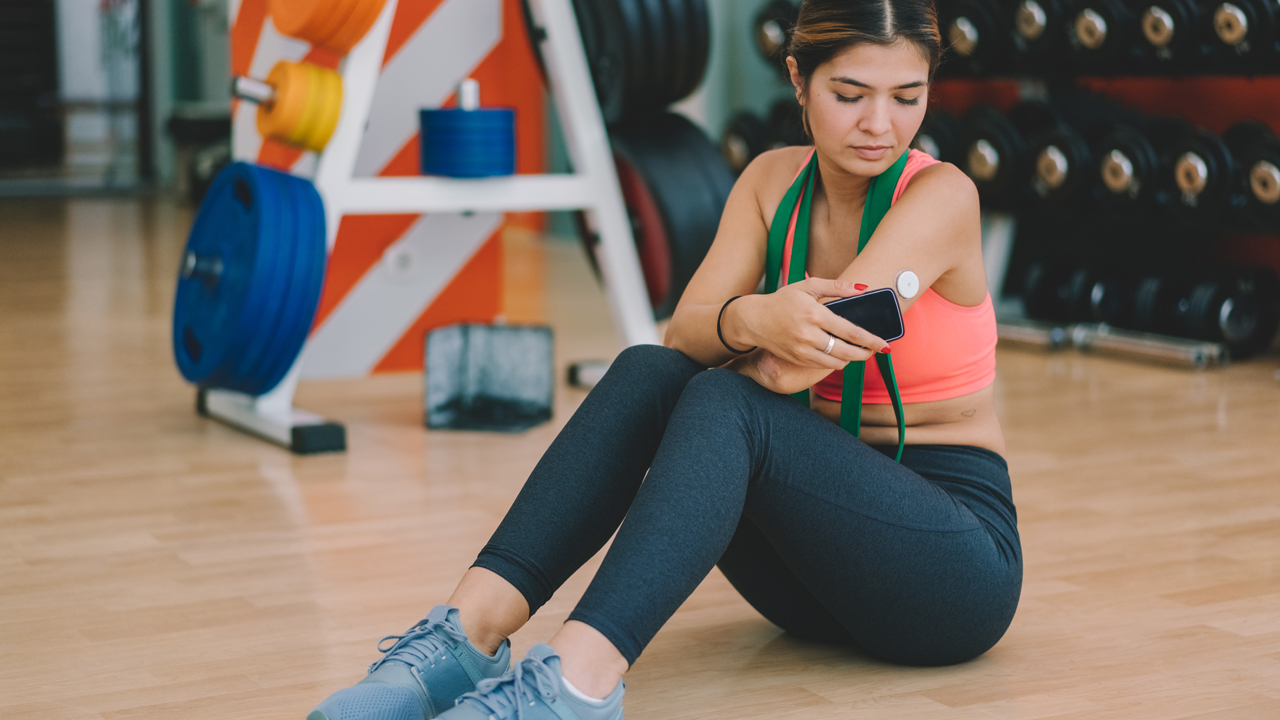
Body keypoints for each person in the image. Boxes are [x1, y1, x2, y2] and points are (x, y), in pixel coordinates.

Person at [307, 0, 1020, 718]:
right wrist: (753, 314)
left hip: (949, 572)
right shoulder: (771, 182)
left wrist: (734, 339)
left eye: (907, 97)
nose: (880, 125)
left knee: (720, 399)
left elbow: (799, 366)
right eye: (850, 95)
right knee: (651, 371)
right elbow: (684, 332)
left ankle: (575, 683)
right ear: (798, 79)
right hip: (815, 578)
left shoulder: (940, 196)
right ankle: (466, 635)